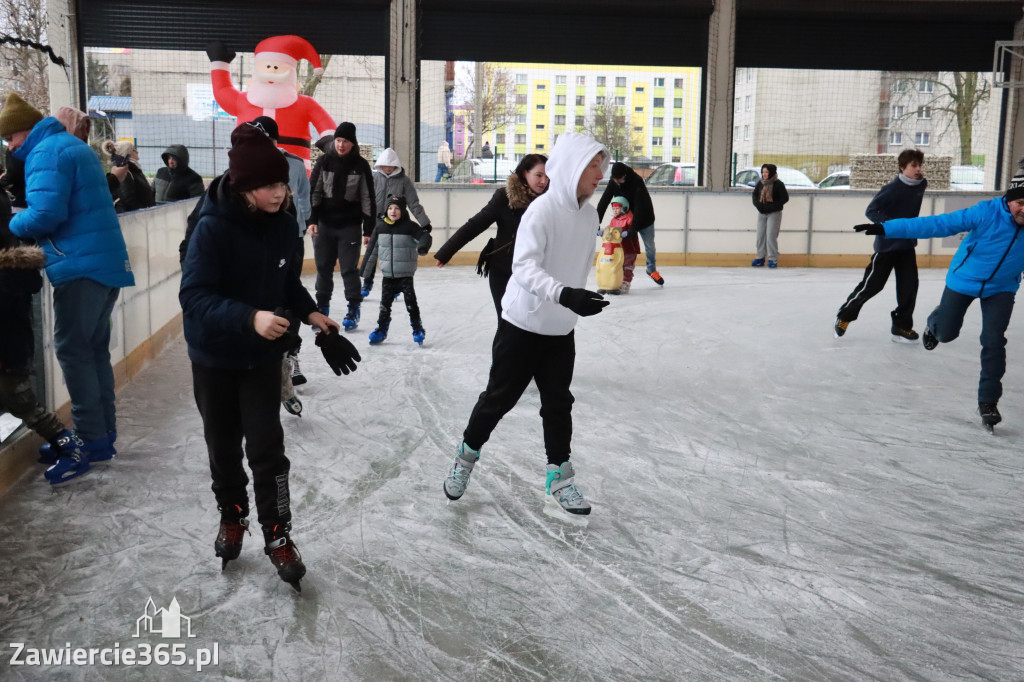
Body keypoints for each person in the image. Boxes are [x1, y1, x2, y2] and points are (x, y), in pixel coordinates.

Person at [179, 122, 358, 591]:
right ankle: (232, 515)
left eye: (282, 182)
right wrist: (249, 317)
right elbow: (194, 295)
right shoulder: (212, 227)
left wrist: (313, 315)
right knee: (222, 447)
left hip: (260, 358)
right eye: (269, 185)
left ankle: (279, 534)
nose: (280, 192)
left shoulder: (282, 223)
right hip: (214, 357)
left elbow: (285, 282)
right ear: (244, 187)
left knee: (267, 451)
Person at [442, 132, 610, 517]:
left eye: (601, 164)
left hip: (560, 330)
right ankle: (465, 457)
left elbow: (576, 263)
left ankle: (560, 477)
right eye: (593, 165)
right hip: (521, 326)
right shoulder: (541, 211)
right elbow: (524, 268)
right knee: (497, 400)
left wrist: (580, 298)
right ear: (571, 167)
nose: (600, 173)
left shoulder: (589, 214)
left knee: (558, 403)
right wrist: (566, 294)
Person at [3, 91, 135, 482]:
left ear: (24, 132)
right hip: (101, 262)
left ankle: (88, 440)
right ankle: (100, 435)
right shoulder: (69, 146)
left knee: (74, 351)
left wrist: (10, 224)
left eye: (9, 138)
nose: (9, 146)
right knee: (92, 351)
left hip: (80, 265)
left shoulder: (47, 152)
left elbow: (45, 214)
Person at [853, 158, 1024, 431]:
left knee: (993, 341)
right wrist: (887, 228)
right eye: (1020, 203)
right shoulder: (985, 213)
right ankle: (935, 323)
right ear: (1009, 200)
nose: (1023, 210)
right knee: (947, 333)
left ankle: (988, 402)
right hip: (963, 281)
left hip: (1002, 287)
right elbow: (937, 224)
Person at [0, 169, 86, 482]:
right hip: (12, 351)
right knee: (21, 402)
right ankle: (66, 442)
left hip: (8, 355)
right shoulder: (13, 271)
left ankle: (70, 445)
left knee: (23, 402)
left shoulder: (7, 277)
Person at [433, 154, 548, 318]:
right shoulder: (504, 198)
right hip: (504, 270)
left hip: (535, 274)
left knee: (532, 326)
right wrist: (447, 251)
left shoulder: (551, 202)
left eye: (547, 176)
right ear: (524, 173)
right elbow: (475, 225)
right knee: (507, 323)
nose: (544, 181)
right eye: (539, 175)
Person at [249, 116, 313, 411]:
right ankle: (261, 368)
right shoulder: (242, 169)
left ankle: (289, 360)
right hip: (254, 240)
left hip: (289, 238)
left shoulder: (295, 165)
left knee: (286, 299)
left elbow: (304, 203)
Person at [835, 150, 927, 341]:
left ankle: (901, 325)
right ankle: (845, 315)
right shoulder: (892, 189)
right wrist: (891, 226)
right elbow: (871, 210)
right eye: (913, 166)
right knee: (872, 285)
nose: (918, 169)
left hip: (907, 245)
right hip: (887, 247)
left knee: (909, 287)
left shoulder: (920, 185)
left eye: (920, 165)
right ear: (902, 168)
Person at [205, 35, 335, 170]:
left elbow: (324, 122)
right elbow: (222, 91)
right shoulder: (242, 101)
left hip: (293, 167)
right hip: (249, 166)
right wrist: (219, 62)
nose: (272, 71)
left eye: (277, 67)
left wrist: (330, 141)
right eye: (267, 66)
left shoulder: (305, 104)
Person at [308, 122, 374, 331]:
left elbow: (367, 198)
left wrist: (368, 230)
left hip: (350, 226)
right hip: (325, 226)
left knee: (348, 270)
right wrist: (312, 220)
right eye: (338, 140)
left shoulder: (361, 166)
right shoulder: (324, 161)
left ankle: (353, 308)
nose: (341, 145)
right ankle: (322, 309)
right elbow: (314, 192)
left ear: (352, 143)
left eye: (345, 141)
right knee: (323, 268)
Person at [361, 196, 431, 345]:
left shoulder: (410, 227)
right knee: (384, 305)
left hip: (405, 274)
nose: (393, 211)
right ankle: (381, 330)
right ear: (386, 210)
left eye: (397, 208)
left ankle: (418, 329)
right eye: (390, 208)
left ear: (402, 210)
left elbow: (425, 236)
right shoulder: (380, 227)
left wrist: (423, 247)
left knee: (411, 303)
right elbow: (372, 250)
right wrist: (365, 271)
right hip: (388, 275)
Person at [363, 147, 432, 297]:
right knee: (372, 254)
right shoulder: (374, 178)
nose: (387, 169)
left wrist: (424, 222)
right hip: (378, 224)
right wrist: (366, 228)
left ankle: (396, 285)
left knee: (395, 255)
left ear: (396, 166)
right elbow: (366, 202)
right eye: (385, 165)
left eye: (391, 166)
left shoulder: (404, 181)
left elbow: (413, 203)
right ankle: (367, 282)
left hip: (398, 225)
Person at [597, 162, 664, 286]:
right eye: (615, 179)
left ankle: (651, 269)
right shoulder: (614, 182)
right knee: (624, 249)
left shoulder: (636, 182)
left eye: (619, 179)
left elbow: (640, 206)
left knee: (650, 246)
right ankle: (620, 275)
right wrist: (596, 222)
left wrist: (634, 227)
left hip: (644, 219)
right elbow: (604, 200)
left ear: (625, 176)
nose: (617, 182)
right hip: (624, 220)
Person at [750, 163, 789, 268]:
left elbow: (784, 198)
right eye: (763, 172)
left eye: (766, 172)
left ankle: (773, 258)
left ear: (772, 172)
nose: (764, 174)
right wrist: (758, 205)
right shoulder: (760, 183)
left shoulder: (778, 184)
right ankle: (760, 257)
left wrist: (772, 207)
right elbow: (755, 195)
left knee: (771, 236)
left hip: (774, 213)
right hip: (762, 212)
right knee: (760, 236)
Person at [103, 140, 156, 213]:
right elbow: (127, 199)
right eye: (134, 149)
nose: (137, 151)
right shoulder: (124, 171)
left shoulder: (134, 169)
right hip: (134, 217)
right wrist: (143, 211)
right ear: (127, 154)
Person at [607, 195, 640, 294]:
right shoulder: (614, 220)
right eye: (613, 209)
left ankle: (626, 283)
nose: (615, 211)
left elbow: (633, 229)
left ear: (624, 207)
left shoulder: (630, 218)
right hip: (618, 248)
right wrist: (604, 231)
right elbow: (610, 228)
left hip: (629, 248)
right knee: (617, 265)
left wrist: (628, 232)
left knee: (627, 266)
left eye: (617, 208)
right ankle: (616, 282)